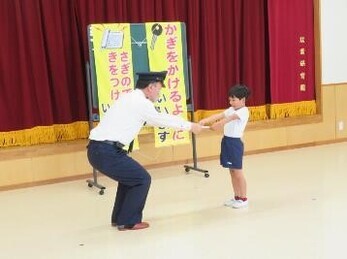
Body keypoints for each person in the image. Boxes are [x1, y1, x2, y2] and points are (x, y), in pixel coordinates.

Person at [87, 71, 203, 231]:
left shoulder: (129, 97)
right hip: (106, 151)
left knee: (130, 179)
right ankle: (129, 221)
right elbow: (162, 119)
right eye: (159, 89)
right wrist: (190, 126)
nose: (159, 93)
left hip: (99, 149)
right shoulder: (141, 103)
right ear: (150, 87)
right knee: (142, 179)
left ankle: (119, 219)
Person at [199, 84, 250, 209]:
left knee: (238, 172)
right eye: (230, 99)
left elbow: (227, 120)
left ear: (242, 100)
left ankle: (243, 198)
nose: (231, 102)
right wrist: (204, 121)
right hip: (226, 141)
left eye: (233, 100)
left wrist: (217, 125)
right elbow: (219, 115)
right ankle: (236, 197)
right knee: (231, 171)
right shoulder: (231, 109)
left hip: (235, 144)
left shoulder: (243, 111)